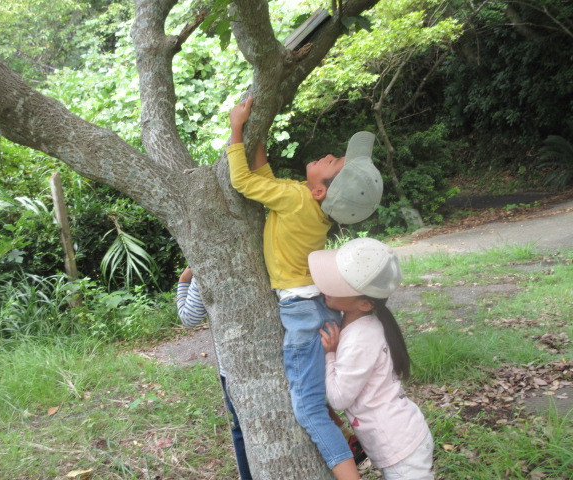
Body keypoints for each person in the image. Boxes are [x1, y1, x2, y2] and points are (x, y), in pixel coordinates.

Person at [227, 97, 383, 480]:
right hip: (317, 306)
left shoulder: (298, 200)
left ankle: (349, 475)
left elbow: (244, 182)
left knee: (309, 408)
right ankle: (353, 449)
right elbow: (268, 182)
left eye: (334, 163)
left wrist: (236, 130)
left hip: (302, 313)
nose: (330, 155)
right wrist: (255, 135)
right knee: (320, 399)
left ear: (320, 192)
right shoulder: (311, 207)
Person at [309, 238, 434, 480]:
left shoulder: (360, 340)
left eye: (339, 284)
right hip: (402, 435)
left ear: (365, 303)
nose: (326, 287)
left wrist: (330, 355)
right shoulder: (364, 321)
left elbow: (338, 398)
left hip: (400, 446)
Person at [176, 266, 252, 480]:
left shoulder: (208, 266)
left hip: (232, 367)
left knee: (241, 428)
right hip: (273, 359)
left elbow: (189, 317)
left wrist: (184, 279)